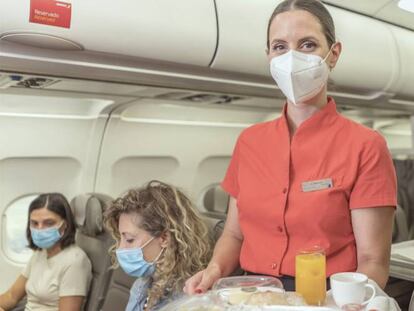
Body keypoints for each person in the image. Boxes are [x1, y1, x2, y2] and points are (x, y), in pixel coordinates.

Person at [184, 0, 397, 294]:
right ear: (269, 56)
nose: (291, 58)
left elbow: (373, 260)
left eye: (308, 45)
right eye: (280, 47)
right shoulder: (250, 142)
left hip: (324, 296)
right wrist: (214, 270)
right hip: (251, 294)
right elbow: (234, 234)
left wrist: (346, 302)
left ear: (333, 55)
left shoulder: (366, 146)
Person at [104, 180, 212, 311]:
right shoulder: (141, 285)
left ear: (164, 238)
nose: (120, 249)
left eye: (129, 239)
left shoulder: (189, 297)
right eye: (120, 238)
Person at [0, 193, 92, 311]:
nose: (40, 229)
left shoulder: (75, 261)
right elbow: (11, 296)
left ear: (65, 225)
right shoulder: (40, 253)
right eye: (34, 223)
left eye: (49, 223)